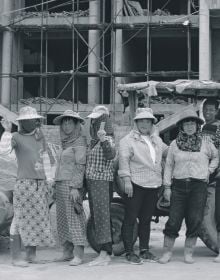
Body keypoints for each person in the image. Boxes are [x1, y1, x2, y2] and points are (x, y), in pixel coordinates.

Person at [159, 109, 219, 264]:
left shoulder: (206, 143)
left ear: (197, 126)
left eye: (193, 123)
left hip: (198, 186)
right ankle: (166, 253)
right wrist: (167, 187)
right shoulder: (174, 144)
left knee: (195, 219)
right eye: (187, 123)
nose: (190, 126)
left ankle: (188, 253)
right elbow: (169, 166)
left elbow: (216, 157)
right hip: (178, 186)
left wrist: (209, 170)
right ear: (182, 126)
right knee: (174, 220)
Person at [1, 106, 55, 267]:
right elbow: (3, 151)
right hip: (24, 184)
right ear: (22, 122)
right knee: (19, 220)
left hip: (40, 184)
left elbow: (46, 157)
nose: (30, 122)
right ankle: (16, 256)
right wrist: (6, 132)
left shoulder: (40, 137)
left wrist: (50, 179)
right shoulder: (16, 136)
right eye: (26, 120)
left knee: (36, 220)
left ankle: (31, 255)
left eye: (32, 119)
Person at [118, 108, 168, 265]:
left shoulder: (156, 140)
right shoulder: (127, 140)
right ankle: (129, 252)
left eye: (148, 121)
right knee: (131, 218)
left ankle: (144, 250)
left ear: (152, 123)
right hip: (135, 184)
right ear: (136, 123)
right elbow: (124, 160)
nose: (145, 123)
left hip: (153, 184)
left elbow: (170, 152)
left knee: (146, 219)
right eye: (141, 120)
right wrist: (126, 180)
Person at [53, 110, 87, 266]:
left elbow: (80, 166)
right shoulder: (64, 142)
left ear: (76, 125)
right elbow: (60, 164)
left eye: (70, 123)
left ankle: (79, 254)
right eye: (64, 123)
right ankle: (67, 251)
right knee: (62, 220)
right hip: (60, 183)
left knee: (74, 218)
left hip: (72, 185)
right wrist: (55, 182)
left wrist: (75, 187)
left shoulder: (79, 142)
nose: (66, 126)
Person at [86, 105, 116, 266]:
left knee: (102, 216)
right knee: (98, 216)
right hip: (93, 182)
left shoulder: (107, 139)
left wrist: (104, 139)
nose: (95, 123)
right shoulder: (93, 141)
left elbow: (111, 155)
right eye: (94, 120)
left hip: (102, 182)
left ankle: (105, 253)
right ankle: (105, 252)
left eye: (98, 120)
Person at [202, 98, 220, 262]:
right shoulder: (204, 127)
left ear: (216, 110)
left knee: (213, 212)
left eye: (211, 110)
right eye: (205, 109)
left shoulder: (216, 127)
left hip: (214, 174)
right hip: (207, 170)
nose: (207, 112)